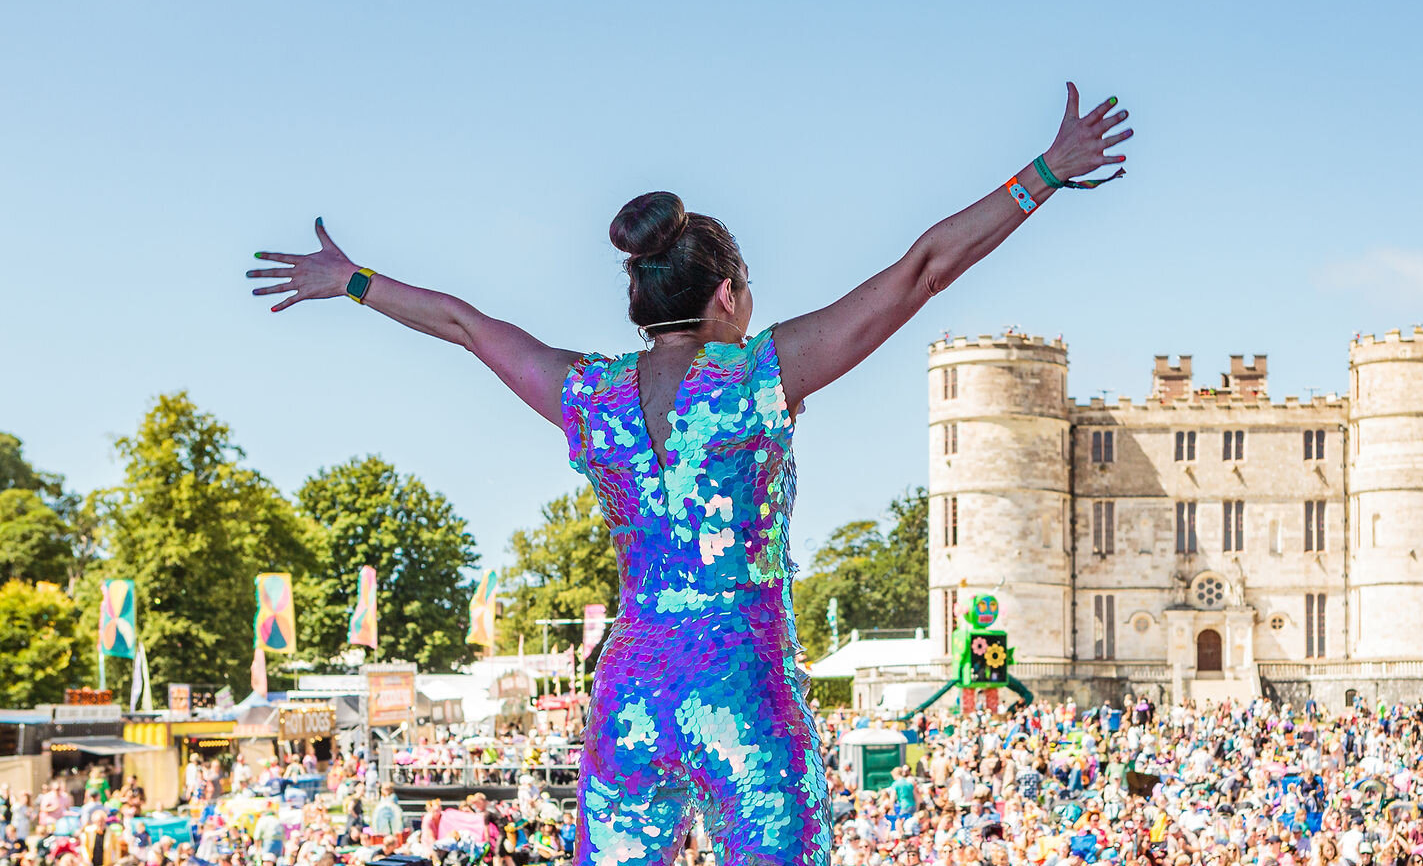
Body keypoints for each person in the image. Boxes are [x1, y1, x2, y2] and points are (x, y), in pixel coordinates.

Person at [249, 83, 1133, 866]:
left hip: (631, 694)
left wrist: (354, 280)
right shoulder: (759, 376)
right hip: (743, 688)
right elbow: (922, 272)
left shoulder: (587, 393)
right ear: (728, 297)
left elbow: (466, 325)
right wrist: (1045, 173)